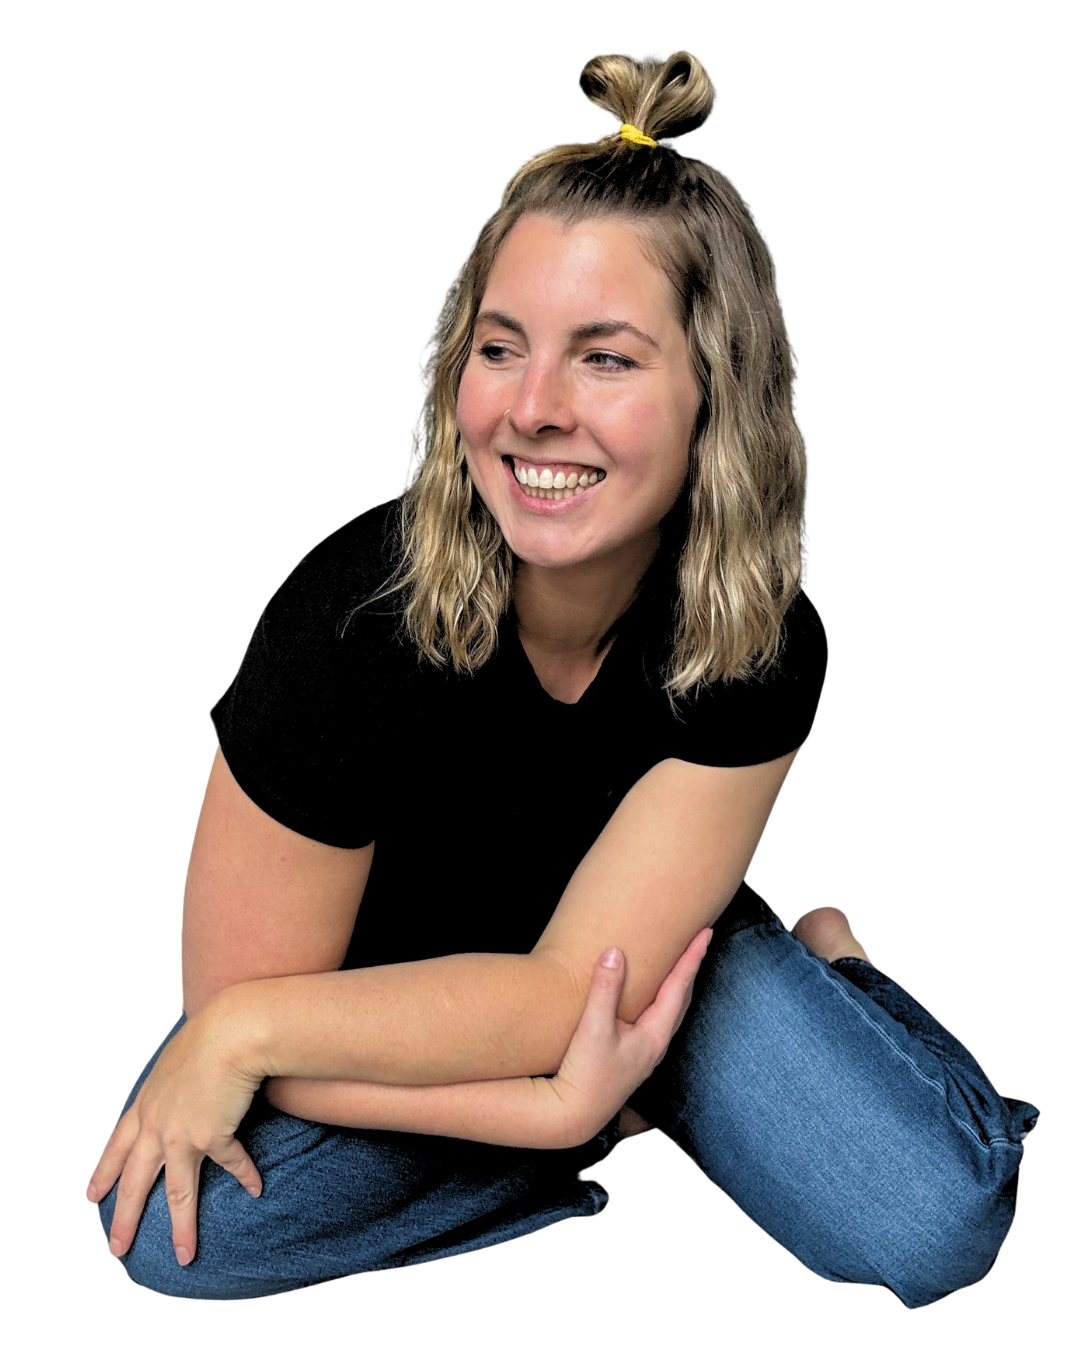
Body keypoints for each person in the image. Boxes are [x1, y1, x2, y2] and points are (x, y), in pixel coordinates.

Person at [86, 50, 1036, 1306]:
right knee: (163, 1235)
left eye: (606, 358)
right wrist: (549, 1107)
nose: (533, 407)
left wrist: (274, 1043)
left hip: (645, 977)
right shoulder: (343, 621)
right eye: (501, 347)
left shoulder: (754, 616)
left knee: (934, 1230)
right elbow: (241, 1013)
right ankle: (634, 1125)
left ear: (717, 399)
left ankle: (821, 986)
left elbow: (539, 989)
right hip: (382, 1013)